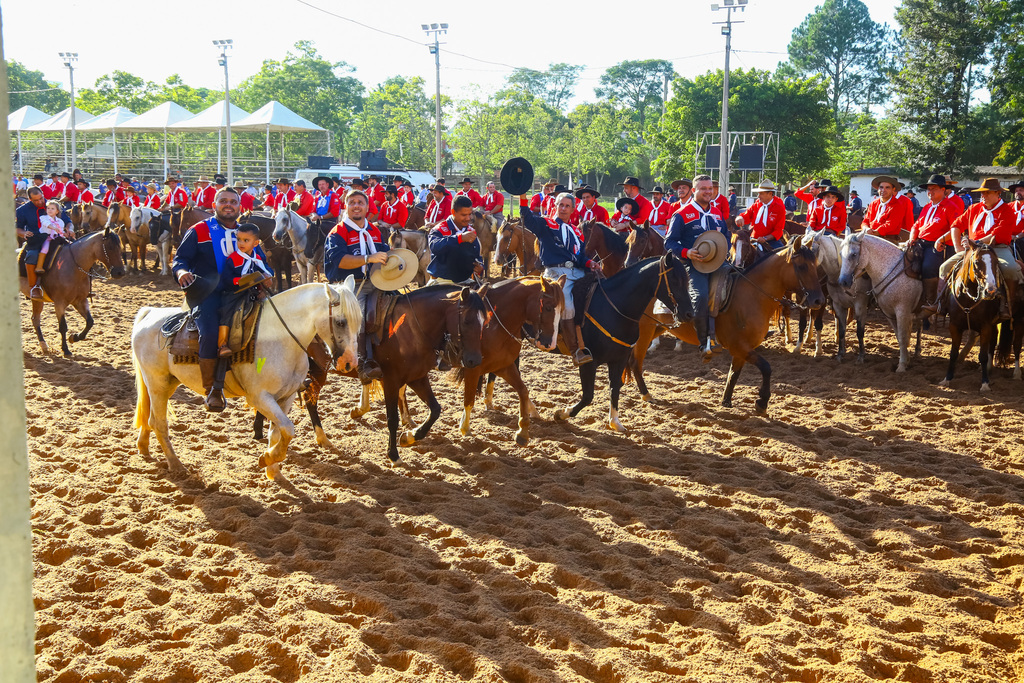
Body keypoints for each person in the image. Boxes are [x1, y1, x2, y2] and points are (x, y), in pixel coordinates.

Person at [171, 187, 245, 411]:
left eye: (233, 201)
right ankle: (212, 389)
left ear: (239, 207)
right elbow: (180, 259)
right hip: (207, 292)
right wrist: (182, 272)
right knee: (211, 333)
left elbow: (259, 258)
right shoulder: (199, 230)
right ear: (214, 205)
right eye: (223, 201)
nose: (228, 204)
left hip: (243, 291)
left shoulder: (247, 232)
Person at [518, 191, 602, 366]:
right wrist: (523, 196)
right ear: (555, 206)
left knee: (602, 289)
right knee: (568, 305)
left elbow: (580, 257)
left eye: (567, 206)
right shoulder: (545, 224)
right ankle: (575, 350)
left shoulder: (577, 233)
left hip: (578, 272)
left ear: (572, 210)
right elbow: (527, 217)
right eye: (560, 205)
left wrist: (590, 264)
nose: (563, 209)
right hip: (555, 275)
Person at [932, 178, 1023, 320]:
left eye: (987, 193)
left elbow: (997, 234)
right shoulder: (974, 208)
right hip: (973, 249)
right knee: (944, 267)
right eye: (982, 193)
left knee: (1010, 269)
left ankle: (1006, 306)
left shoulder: (1007, 210)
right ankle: (940, 304)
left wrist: (973, 242)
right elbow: (956, 225)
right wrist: (957, 247)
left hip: (997, 248)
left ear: (998, 193)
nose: (983, 196)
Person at [324, 189, 390, 382]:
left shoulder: (374, 230)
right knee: (357, 317)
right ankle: (363, 364)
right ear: (346, 206)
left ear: (367, 207)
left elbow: (384, 252)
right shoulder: (337, 232)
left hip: (376, 281)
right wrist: (369, 258)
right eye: (352, 202)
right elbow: (341, 262)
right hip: (348, 286)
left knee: (401, 305)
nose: (356, 205)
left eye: (360, 202)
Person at [666, 175, 729, 360]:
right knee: (700, 296)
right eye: (703, 189)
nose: (708, 192)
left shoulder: (717, 213)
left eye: (710, 188)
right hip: (694, 266)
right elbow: (668, 242)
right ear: (694, 191)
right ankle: (704, 342)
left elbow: (726, 234)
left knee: (743, 283)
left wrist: (727, 249)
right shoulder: (681, 214)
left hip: (719, 263)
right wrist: (686, 252)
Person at [217, 223, 273, 358]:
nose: (241, 243)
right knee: (227, 312)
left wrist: (266, 278)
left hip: (254, 292)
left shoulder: (257, 259)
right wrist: (239, 280)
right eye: (239, 239)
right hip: (235, 293)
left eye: (246, 240)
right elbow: (225, 279)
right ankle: (222, 344)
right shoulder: (233, 259)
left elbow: (262, 272)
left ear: (256, 243)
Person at [910, 174, 956, 314]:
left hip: (940, 247)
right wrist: (912, 238)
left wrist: (941, 239)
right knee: (902, 261)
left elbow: (956, 228)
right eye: (928, 189)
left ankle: (932, 302)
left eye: (934, 189)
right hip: (921, 243)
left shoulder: (950, 207)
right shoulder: (927, 207)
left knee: (928, 266)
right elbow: (916, 225)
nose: (930, 192)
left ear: (943, 190)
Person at [17, 188, 71, 301]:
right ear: (30, 199)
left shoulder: (52, 205)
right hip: (35, 239)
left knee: (76, 251)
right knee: (31, 255)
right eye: (36, 200)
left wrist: (70, 229)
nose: (40, 202)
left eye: (41, 198)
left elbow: (67, 221)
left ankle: (81, 285)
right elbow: (18, 228)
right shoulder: (22, 210)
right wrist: (24, 233)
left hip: (57, 238)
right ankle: (34, 287)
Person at [427, 194, 483, 286]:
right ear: (453, 212)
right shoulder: (439, 229)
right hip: (441, 281)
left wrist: (480, 267)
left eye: (470, 214)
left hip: (465, 280)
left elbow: (477, 256)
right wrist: (459, 238)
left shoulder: (470, 231)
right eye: (464, 215)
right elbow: (435, 247)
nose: (468, 218)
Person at [734, 179, 787, 250]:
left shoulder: (779, 208)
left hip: (772, 241)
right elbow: (746, 216)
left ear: (770, 194)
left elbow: (778, 230)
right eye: (758, 193)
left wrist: (765, 238)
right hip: (754, 239)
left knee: (783, 257)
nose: (758, 196)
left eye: (761, 193)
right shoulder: (755, 205)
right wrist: (739, 218)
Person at [862, 175, 913, 243]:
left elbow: (891, 224)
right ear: (878, 189)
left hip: (888, 239)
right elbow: (865, 221)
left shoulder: (898, 205)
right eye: (881, 187)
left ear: (893, 189)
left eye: (887, 187)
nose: (883, 190)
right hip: (871, 236)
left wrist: (875, 232)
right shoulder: (873, 204)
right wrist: (866, 228)